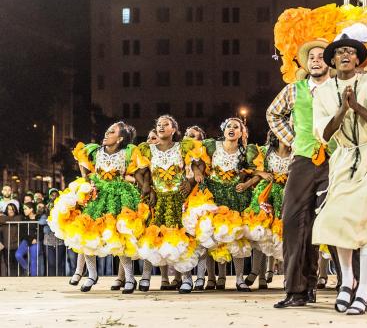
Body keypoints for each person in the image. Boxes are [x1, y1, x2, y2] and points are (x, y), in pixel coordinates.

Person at [312, 35, 367, 315]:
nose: (345, 55)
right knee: (338, 220)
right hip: (344, 158)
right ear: (333, 60)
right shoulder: (323, 92)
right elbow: (324, 134)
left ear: (358, 59)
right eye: (340, 52)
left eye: (350, 52)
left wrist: (358, 107)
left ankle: (362, 291)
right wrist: (342, 109)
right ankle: (347, 281)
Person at [269, 39, 331, 309]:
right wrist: (293, 139)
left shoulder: (339, 89)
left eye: (321, 56)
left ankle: (348, 288)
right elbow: (274, 114)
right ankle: (296, 289)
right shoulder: (294, 90)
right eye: (311, 57)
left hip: (334, 160)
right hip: (304, 160)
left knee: (332, 222)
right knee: (294, 222)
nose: (316, 60)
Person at [48, 122, 143, 292]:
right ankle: (92, 274)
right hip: (97, 197)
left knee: (119, 236)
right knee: (87, 234)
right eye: (107, 131)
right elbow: (82, 159)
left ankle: (129, 278)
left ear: (120, 138)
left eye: (112, 132)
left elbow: (137, 175)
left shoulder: (127, 153)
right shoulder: (95, 151)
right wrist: (87, 180)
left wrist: (126, 179)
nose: (106, 134)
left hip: (118, 197)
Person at [184, 117, 261, 292]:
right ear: (223, 130)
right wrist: (197, 173)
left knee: (236, 237)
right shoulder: (212, 146)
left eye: (236, 127)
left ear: (241, 133)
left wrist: (247, 184)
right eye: (228, 126)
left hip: (236, 197)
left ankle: (240, 279)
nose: (231, 129)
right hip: (214, 195)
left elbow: (257, 172)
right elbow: (197, 162)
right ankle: (213, 278)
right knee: (211, 236)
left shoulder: (247, 151)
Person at [132, 115, 206, 293]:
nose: (161, 127)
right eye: (158, 124)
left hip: (178, 200)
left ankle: (187, 278)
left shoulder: (183, 147)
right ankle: (146, 277)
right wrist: (147, 188)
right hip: (157, 201)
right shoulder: (147, 150)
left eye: (166, 124)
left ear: (174, 130)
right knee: (152, 236)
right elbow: (138, 172)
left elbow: (198, 164)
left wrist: (191, 181)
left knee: (181, 238)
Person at [242, 130, 292, 290]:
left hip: (285, 195)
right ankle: (256, 271)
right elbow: (253, 171)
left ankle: (287, 276)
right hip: (265, 195)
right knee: (261, 234)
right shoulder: (265, 152)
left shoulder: (295, 153)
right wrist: (247, 184)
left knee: (282, 236)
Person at [38, 202, 66, 276]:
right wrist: (51, 221)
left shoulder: (60, 215)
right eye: (49, 207)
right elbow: (41, 223)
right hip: (48, 243)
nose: (51, 208)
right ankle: (51, 277)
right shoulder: (45, 216)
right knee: (51, 263)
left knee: (59, 262)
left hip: (59, 242)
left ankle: (59, 278)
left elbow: (61, 225)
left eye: (53, 207)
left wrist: (51, 224)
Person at [15, 202, 39, 276]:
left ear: (31, 209)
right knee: (18, 255)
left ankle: (33, 278)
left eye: (25, 209)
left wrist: (36, 238)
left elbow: (40, 231)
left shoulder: (38, 217)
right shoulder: (24, 218)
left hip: (36, 241)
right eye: (23, 209)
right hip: (26, 240)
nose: (24, 210)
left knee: (33, 260)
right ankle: (27, 268)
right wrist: (31, 239)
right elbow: (22, 233)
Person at [0, 203, 23, 276]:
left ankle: (17, 279)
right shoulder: (3, 218)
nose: (11, 211)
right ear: (6, 210)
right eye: (9, 209)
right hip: (6, 246)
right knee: (8, 264)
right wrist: (4, 218)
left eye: (12, 209)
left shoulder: (19, 217)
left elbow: (17, 219)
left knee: (16, 265)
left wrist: (5, 219)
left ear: (15, 210)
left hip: (17, 245)